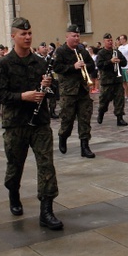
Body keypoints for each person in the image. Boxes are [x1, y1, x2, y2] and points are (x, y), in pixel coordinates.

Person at [0, 18, 63, 230]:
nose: (28, 37)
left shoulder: (41, 63)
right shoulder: (4, 64)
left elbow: (54, 92)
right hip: (15, 123)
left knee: (46, 164)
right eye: (23, 34)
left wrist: (49, 86)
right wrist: (23, 96)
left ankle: (47, 210)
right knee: (15, 165)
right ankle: (14, 193)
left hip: (39, 122)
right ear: (13, 36)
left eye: (29, 33)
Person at [54, 25, 96, 158]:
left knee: (85, 119)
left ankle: (85, 146)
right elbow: (57, 67)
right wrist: (73, 66)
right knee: (67, 119)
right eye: (74, 36)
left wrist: (85, 65)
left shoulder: (82, 51)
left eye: (78, 36)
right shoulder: (61, 51)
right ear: (67, 37)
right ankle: (63, 137)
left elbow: (92, 66)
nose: (77, 38)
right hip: (68, 91)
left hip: (83, 90)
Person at [95, 33, 128, 127]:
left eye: (111, 40)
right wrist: (110, 61)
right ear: (104, 42)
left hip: (117, 80)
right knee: (104, 101)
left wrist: (119, 61)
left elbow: (125, 62)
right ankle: (101, 113)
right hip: (107, 81)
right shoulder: (101, 53)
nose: (110, 42)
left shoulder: (116, 52)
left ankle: (119, 118)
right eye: (108, 41)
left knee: (119, 100)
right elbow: (100, 65)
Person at [117, 34, 128, 101]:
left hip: (127, 66)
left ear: (124, 39)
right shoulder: (120, 48)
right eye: (120, 39)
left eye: (121, 39)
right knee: (123, 82)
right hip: (121, 67)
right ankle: (126, 94)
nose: (120, 40)